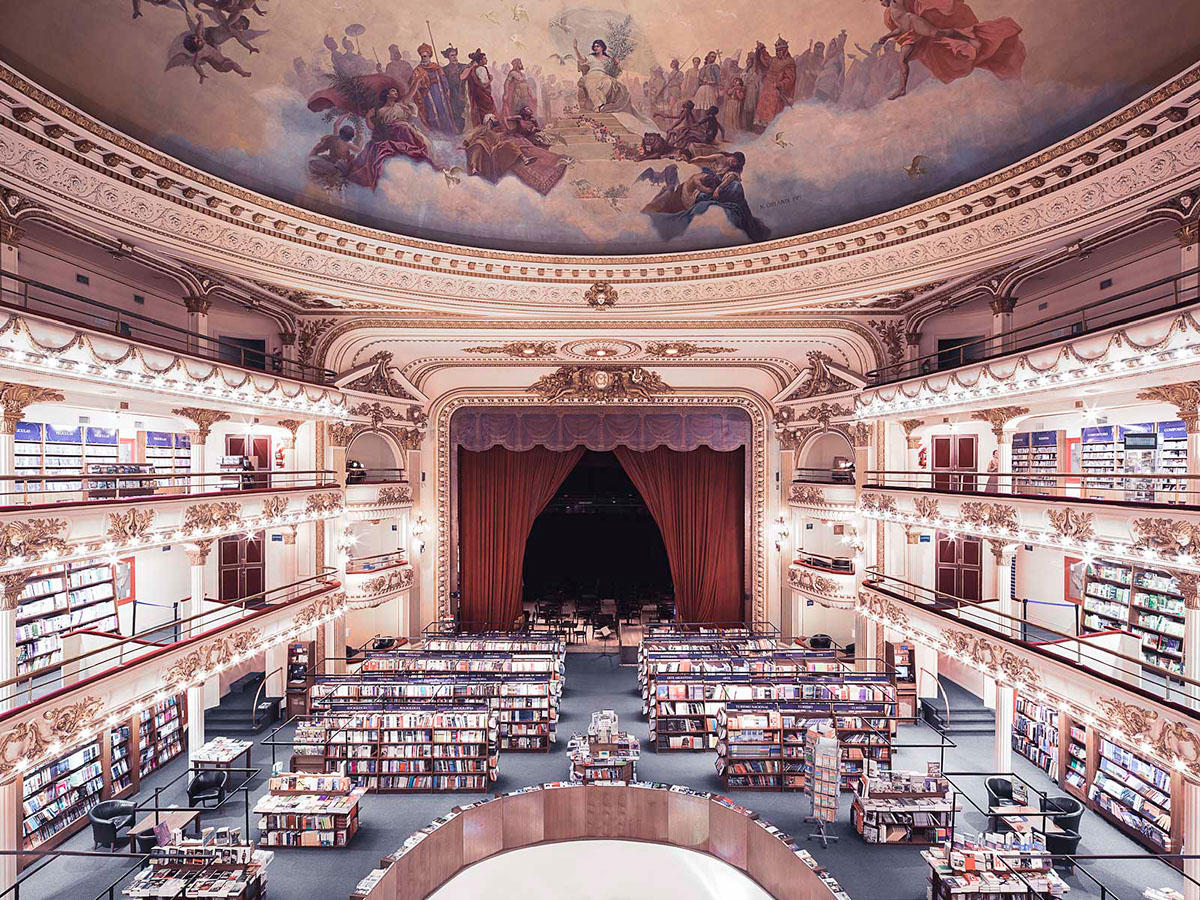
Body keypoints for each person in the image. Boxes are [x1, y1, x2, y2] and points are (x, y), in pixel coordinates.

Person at [878, 0, 1026, 100]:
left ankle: (970, 40)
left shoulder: (898, 2)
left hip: (915, 22)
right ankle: (902, 89)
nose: (880, 2)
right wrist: (886, 36)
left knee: (938, 33)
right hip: (909, 33)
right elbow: (901, 29)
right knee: (902, 60)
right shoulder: (889, 13)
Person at [346, 85, 436, 190]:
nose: (396, 93)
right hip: (394, 134)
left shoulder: (400, 105)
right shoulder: (380, 111)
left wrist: (417, 81)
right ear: (387, 95)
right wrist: (367, 118)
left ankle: (428, 174)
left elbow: (411, 92)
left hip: (408, 131)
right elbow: (375, 128)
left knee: (427, 145)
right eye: (393, 91)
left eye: (397, 91)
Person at [462, 114, 569, 196]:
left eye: (495, 121)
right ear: (488, 121)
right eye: (492, 121)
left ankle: (524, 159)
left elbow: (499, 141)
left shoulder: (495, 133)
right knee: (478, 145)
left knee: (508, 145)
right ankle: (475, 168)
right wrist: (465, 145)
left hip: (492, 152)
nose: (494, 123)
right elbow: (470, 137)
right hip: (481, 147)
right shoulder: (481, 129)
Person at [572, 38, 632, 114]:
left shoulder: (608, 59)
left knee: (608, 82)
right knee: (592, 83)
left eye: (598, 46)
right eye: (594, 46)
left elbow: (615, 72)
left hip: (604, 75)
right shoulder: (591, 57)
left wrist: (617, 63)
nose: (595, 48)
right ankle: (597, 105)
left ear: (602, 47)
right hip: (592, 74)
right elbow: (581, 58)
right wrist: (575, 48)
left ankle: (602, 103)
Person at [409, 43, 458, 134]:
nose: (424, 58)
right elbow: (413, 84)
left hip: (440, 94)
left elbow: (443, 78)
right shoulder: (417, 70)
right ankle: (437, 133)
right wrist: (423, 83)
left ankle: (449, 132)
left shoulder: (436, 67)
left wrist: (447, 88)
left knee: (443, 111)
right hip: (427, 95)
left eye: (426, 56)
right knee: (432, 113)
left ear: (429, 56)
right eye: (422, 56)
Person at [751, 38, 796, 129]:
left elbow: (790, 79)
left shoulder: (789, 62)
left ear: (785, 50)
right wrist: (762, 50)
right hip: (768, 88)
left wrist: (780, 84)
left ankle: (773, 128)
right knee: (763, 108)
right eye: (777, 50)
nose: (779, 52)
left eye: (781, 50)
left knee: (774, 110)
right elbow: (767, 61)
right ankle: (762, 127)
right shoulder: (774, 59)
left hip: (777, 89)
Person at [307, 124, 361, 190]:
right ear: (350, 137)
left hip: (336, 167)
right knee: (316, 160)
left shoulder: (335, 138)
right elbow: (358, 149)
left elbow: (336, 125)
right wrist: (361, 138)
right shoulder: (348, 144)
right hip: (334, 163)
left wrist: (344, 115)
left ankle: (329, 178)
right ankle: (328, 177)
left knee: (312, 163)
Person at [462, 49, 498, 127]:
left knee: (482, 111)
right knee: (488, 109)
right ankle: (489, 126)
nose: (486, 60)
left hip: (478, 93)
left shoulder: (475, 69)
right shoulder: (481, 69)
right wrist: (490, 80)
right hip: (483, 93)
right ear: (480, 61)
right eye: (484, 58)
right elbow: (484, 85)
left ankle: (485, 126)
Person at [440, 46, 468, 132]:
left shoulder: (463, 66)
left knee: (465, 110)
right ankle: (458, 129)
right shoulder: (444, 69)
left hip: (463, 92)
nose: (454, 57)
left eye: (455, 55)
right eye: (452, 55)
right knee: (455, 111)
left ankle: (465, 128)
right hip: (452, 94)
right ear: (448, 57)